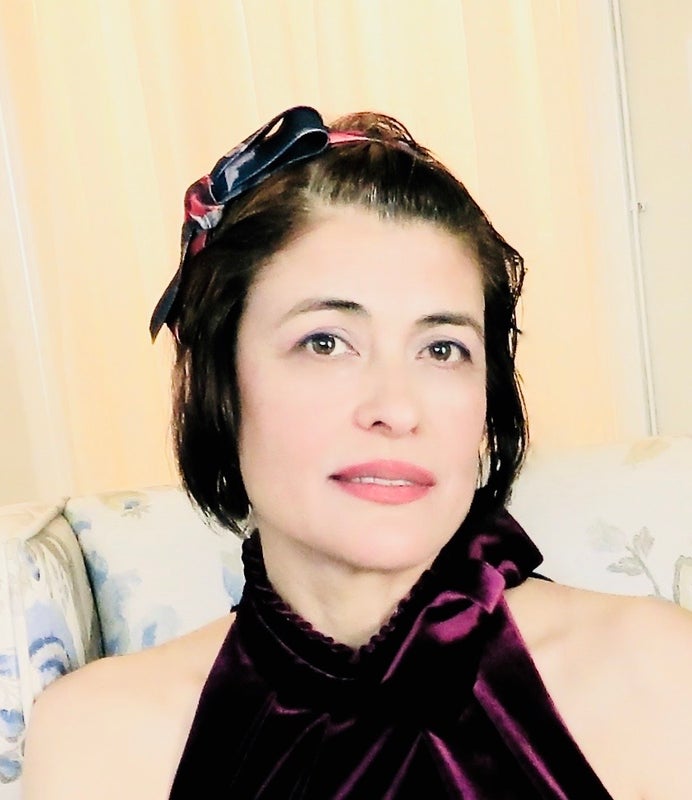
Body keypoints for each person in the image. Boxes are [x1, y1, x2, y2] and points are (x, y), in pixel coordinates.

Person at [23, 106, 692, 799]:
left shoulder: (656, 676)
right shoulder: (100, 736)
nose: (397, 410)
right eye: (325, 343)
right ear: (220, 383)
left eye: (443, 349)